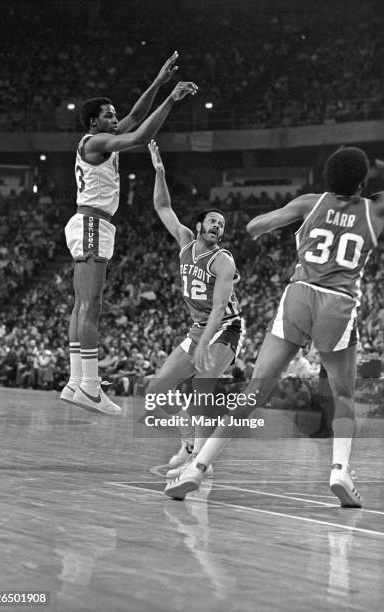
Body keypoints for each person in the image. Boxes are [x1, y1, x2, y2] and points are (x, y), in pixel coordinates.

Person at [165, 146, 384, 507]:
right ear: (362, 181)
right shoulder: (374, 209)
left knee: (254, 392)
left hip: (298, 296)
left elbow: (255, 226)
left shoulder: (309, 202)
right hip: (338, 302)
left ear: (327, 177)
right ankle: (340, 471)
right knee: (343, 395)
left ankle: (197, 469)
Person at [60, 53, 198, 415]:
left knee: (83, 305)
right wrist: (171, 98)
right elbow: (142, 132)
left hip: (89, 222)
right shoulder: (95, 141)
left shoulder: (100, 139)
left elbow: (135, 117)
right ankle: (90, 387)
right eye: (108, 114)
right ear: (94, 121)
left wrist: (158, 80)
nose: (115, 118)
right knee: (91, 306)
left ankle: (77, 382)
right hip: (92, 223)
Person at [146, 140, 246, 475]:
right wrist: (160, 173)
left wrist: (204, 343)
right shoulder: (185, 243)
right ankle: (190, 442)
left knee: (202, 386)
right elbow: (163, 208)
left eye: (222, 225)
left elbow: (219, 309)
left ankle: (199, 462)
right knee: (154, 393)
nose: (219, 227)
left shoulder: (223, 260)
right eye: (213, 222)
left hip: (225, 327)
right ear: (199, 225)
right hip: (198, 328)